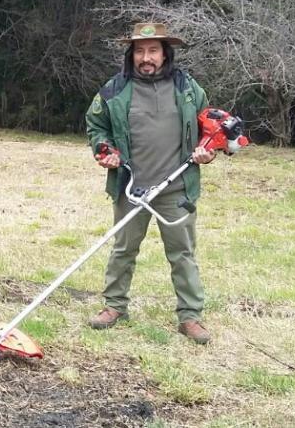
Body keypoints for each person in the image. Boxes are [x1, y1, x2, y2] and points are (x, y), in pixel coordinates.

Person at [85, 22, 216, 344]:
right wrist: (105, 151)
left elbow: (209, 129)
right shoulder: (115, 89)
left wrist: (207, 152)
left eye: (153, 51)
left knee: (182, 253)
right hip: (131, 186)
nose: (146, 57)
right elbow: (96, 126)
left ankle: (190, 315)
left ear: (165, 53)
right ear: (131, 55)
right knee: (123, 249)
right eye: (140, 51)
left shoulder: (188, 89)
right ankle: (115, 306)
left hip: (175, 188)